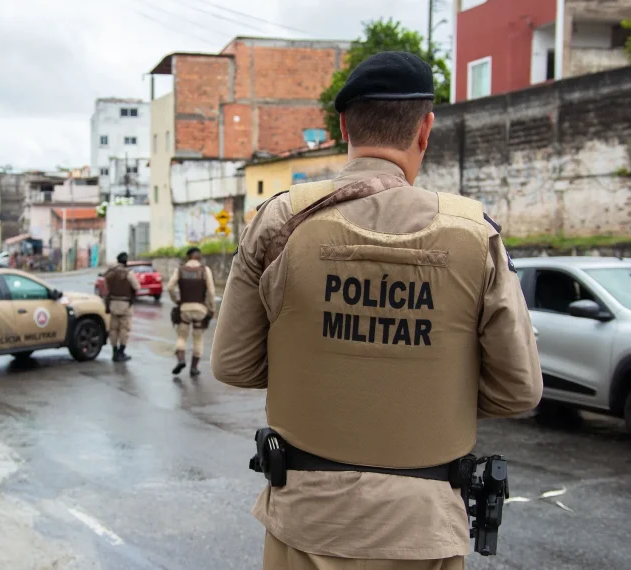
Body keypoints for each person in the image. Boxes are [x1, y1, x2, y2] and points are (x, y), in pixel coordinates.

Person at [211, 51, 543, 570]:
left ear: (343, 124)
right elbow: (518, 390)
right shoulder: (475, 235)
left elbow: (233, 364)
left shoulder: (280, 222)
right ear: (425, 129)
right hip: (424, 530)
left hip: (307, 523)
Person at [166, 247, 216, 377]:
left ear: (188, 257)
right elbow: (211, 292)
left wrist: (176, 300)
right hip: (200, 309)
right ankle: (194, 368)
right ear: (199, 257)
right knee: (198, 339)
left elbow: (169, 287)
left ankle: (181, 359)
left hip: (184, 309)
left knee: (181, 336)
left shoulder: (180, 270)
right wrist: (212, 308)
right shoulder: (205, 270)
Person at [103, 252, 140, 362]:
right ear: (126, 261)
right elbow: (137, 287)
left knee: (113, 329)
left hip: (112, 303)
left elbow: (105, 283)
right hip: (125, 303)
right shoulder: (128, 273)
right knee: (124, 328)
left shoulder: (110, 272)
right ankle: (121, 351)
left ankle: (114, 351)